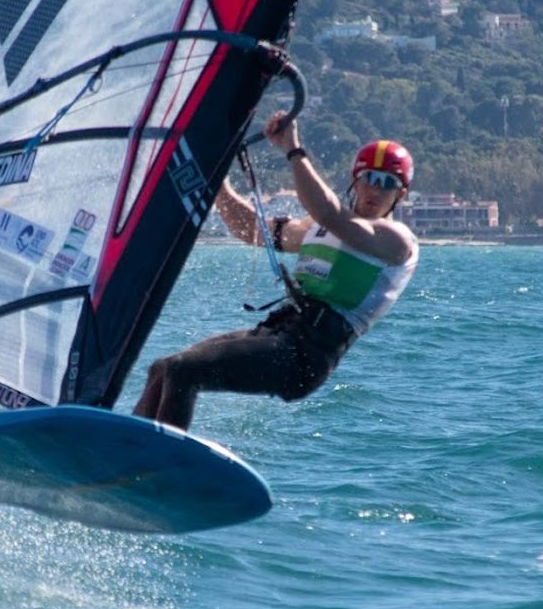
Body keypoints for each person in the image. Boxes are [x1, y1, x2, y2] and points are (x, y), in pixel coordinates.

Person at [133, 112, 419, 431]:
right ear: (356, 179)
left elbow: (329, 213)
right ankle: (122, 449)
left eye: (387, 184)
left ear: (401, 194)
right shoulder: (318, 228)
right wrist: (218, 181)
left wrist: (292, 148)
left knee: (182, 370)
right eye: (369, 178)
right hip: (279, 333)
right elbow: (251, 229)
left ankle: (163, 469)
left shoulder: (397, 243)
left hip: (306, 357)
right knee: (162, 369)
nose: (375, 190)